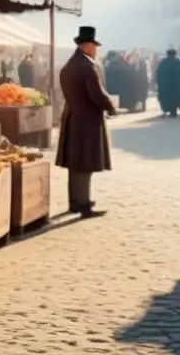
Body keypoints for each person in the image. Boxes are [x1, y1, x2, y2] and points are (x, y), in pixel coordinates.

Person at [56, 26, 117, 218]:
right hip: (87, 120)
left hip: (72, 116)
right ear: (88, 45)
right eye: (95, 46)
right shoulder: (88, 67)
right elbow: (97, 93)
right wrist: (111, 107)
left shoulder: (68, 66)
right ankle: (83, 204)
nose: (96, 50)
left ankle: (74, 201)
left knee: (75, 162)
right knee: (85, 162)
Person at [155, 48, 180, 117]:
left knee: (166, 99)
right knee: (175, 99)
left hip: (166, 87)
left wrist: (159, 84)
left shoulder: (163, 63)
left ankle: (166, 109)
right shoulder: (179, 63)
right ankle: (173, 111)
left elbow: (158, 74)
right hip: (176, 87)